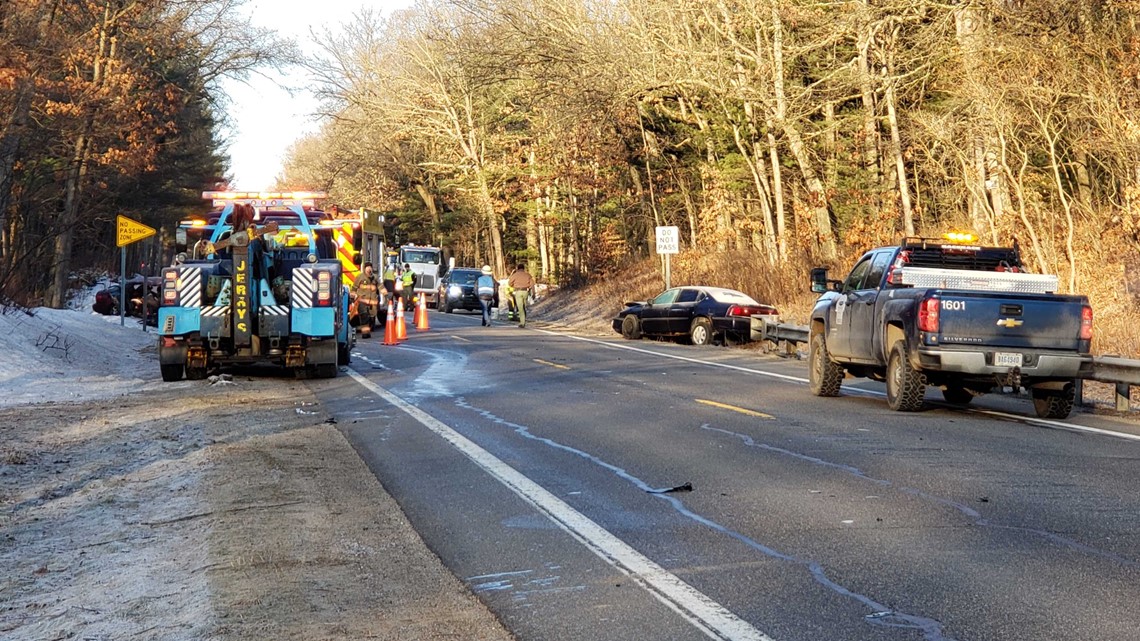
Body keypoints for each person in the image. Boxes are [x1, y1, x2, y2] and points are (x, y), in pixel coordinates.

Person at [351, 262, 383, 338]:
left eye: (370, 267)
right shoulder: (360, 277)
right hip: (362, 300)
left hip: (372, 302)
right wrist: (352, 298)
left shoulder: (374, 278)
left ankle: (368, 330)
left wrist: (386, 295)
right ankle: (365, 334)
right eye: (367, 267)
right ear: (364, 268)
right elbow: (354, 287)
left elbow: (380, 286)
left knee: (371, 317)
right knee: (364, 316)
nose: (369, 269)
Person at [507, 263, 535, 328]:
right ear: (523, 268)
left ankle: (522, 323)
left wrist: (513, 285)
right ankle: (523, 320)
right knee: (524, 306)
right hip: (526, 292)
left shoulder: (515, 275)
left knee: (520, 307)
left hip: (518, 291)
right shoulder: (528, 275)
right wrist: (533, 293)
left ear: (517, 268)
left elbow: (509, 283)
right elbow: (532, 284)